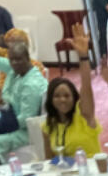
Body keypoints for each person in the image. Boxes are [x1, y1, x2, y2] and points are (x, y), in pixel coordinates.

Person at [0, 23, 48, 157]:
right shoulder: (14, 69)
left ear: (28, 59)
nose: (14, 63)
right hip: (7, 119)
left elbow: (26, 120)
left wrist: (0, 125)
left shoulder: (32, 84)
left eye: (19, 60)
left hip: (25, 131)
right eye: (12, 60)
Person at [42, 26, 101, 158]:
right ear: (51, 100)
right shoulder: (48, 125)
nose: (62, 100)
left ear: (74, 98)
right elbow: (49, 161)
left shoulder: (84, 117)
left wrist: (83, 57)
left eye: (67, 96)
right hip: (66, 175)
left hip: (91, 171)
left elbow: (86, 86)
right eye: (57, 96)